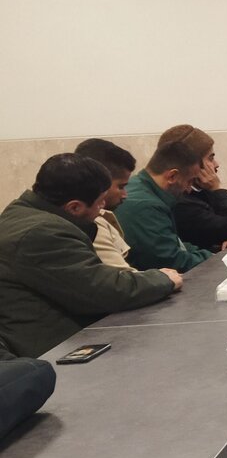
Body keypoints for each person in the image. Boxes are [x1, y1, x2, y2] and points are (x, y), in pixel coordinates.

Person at [0, 154, 180, 358]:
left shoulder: (20, 214)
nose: (102, 209)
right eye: (100, 202)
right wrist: (163, 279)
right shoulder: (43, 234)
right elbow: (104, 290)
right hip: (54, 352)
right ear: (74, 207)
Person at [115, 141, 213, 272]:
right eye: (189, 181)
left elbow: (174, 245)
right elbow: (172, 261)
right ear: (172, 176)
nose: (189, 189)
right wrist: (215, 258)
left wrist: (205, 254)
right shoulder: (146, 207)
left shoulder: (138, 185)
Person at [163, 125, 227, 252]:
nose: (216, 164)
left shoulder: (201, 189)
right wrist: (217, 189)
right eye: (211, 158)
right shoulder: (181, 203)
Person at [74, 138, 137, 270]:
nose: (125, 194)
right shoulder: (92, 223)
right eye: (121, 187)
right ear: (101, 183)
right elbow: (122, 277)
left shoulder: (102, 216)